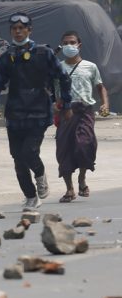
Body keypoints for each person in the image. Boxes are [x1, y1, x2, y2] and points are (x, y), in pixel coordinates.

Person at [0, 12, 72, 211]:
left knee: (29, 152)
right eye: (14, 29)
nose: (17, 32)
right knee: (17, 158)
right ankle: (31, 197)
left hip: (38, 113)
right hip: (15, 114)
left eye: (21, 28)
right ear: (11, 31)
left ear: (29, 30)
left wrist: (65, 103)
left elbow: (63, 77)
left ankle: (40, 175)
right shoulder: (7, 56)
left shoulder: (44, 53)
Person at [55, 30, 110, 203]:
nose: (69, 46)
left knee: (85, 144)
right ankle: (69, 189)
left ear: (79, 45)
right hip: (65, 112)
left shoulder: (90, 66)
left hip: (85, 111)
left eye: (72, 42)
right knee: (64, 149)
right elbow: (51, 89)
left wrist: (105, 103)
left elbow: (100, 87)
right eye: (65, 43)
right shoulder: (58, 68)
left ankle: (82, 178)